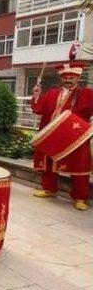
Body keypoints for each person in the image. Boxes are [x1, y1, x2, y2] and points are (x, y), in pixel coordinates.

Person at [31, 62, 93, 211]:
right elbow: (38, 110)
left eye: (71, 77)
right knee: (49, 164)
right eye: (65, 77)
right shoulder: (52, 93)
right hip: (51, 134)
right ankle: (49, 189)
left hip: (74, 136)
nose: (68, 80)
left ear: (78, 78)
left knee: (78, 166)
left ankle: (80, 197)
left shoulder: (87, 93)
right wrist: (37, 94)